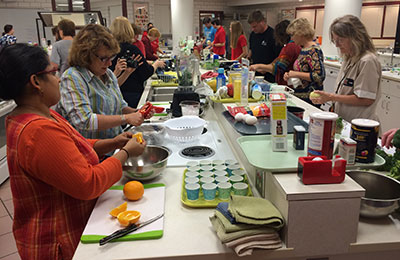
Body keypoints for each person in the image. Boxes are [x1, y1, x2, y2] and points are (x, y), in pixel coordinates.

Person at [0, 43, 146, 260]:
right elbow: (88, 183)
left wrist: (113, 142)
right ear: (36, 82)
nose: (59, 79)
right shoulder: (38, 131)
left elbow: (75, 146)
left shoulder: (38, 115)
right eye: (53, 72)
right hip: (57, 242)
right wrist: (124, 152)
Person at [56, 24, 146, 139]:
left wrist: (138, 112)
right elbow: (84, 121)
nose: (109, 63)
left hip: (114, 145)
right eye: (103, 58)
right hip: (92, 152)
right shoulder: (73, 78)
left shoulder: (107, 74)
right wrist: (126, 118)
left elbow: (120, 106)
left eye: (111, 57)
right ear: (85, 55)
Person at [310, 15, 381, 122]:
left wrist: (331, 97)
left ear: (356, 38)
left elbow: (366, 99)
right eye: (335, 41)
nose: (337, 45)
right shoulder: (349, 58)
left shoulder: (367, 61)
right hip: (345, 121)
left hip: (360, 125)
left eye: (340, 40)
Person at [109, 16, 164, 108]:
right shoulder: (132, 50)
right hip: (132, 93)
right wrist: (156, 64)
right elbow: (145, 72)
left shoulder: (108, 50)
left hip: (113, 95)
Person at [283, 17, 325, 105]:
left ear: (300, 33)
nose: (292, 38)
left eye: (293, 34)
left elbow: (319, 75)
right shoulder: (304, 49)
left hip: (310, 98)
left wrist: (295, 74)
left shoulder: (313, 51)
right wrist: (290, 75)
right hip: (301, 95)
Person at [250, 20, 301, 85]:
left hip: (288, 84)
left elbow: (278, 68)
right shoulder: (295, 46)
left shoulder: (290, 47)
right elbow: (280, 60)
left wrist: (258, 66)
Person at [247, 11, 281, 83]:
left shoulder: (273, 35)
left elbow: (279, 56)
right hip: (255, 72)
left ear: (262, 22)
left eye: (255, 26)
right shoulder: (253, 34)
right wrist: (247, 59)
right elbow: (251, 49)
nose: (253, 29)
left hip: (269, 75)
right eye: (251, 27)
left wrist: (266, 68)